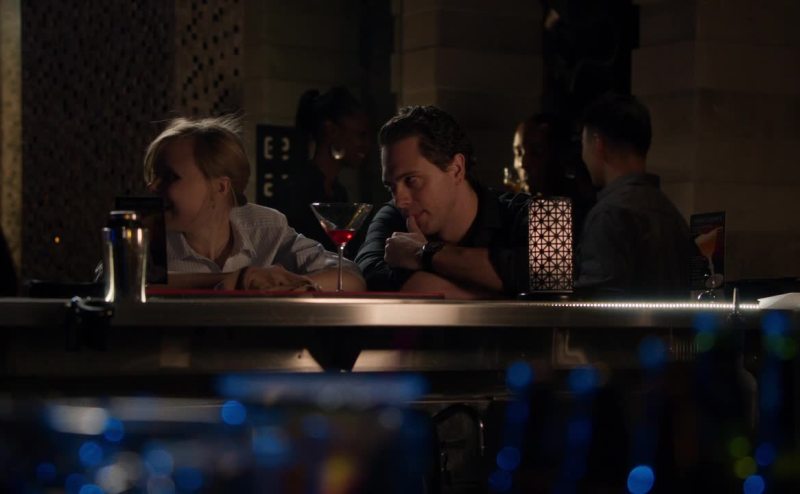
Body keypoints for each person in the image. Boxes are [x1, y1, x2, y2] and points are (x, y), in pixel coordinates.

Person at [144, 116, 365, 291]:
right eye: (154, 175)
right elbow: (136, 284)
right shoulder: (142, 229)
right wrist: (239, 280)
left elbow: (349, 276)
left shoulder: (264, 226)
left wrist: (288, 284)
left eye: (169, 176)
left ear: (220, 187)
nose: (152, 186)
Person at [355, 106, 530, 299]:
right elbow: (370, 276)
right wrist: (502, 295)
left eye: (411, 180)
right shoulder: (393, 216)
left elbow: (546, 273)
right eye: (391, 186)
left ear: (456, 169)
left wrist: (422, 253)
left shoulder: (522, 213)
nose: (400, 201)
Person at [576, 93, 696, 297]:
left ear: (598, 144)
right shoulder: (670, 212)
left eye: (583, 144)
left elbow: (597, 307)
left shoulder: (610, 214)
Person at [288, 87, 371, 253]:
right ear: (331, 130)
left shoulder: (338, 193)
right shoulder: (298, 191)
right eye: (361, 135)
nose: (367, 144)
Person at [511, 112, 596, 236]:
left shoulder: (560, 209)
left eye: (537, 151)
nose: (523, 163)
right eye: (518, 152)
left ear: (559, 154)